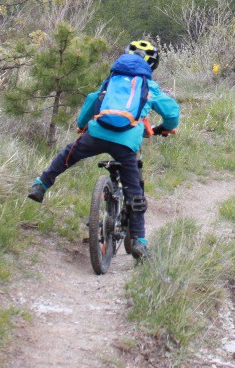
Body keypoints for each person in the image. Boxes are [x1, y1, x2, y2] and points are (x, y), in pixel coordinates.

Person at [26, 40, 179, 259]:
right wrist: (167, 128)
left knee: (67, 155)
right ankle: (139, 241)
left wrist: (81, 125)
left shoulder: (112, 79)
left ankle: (41, 185)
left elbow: (92, 100)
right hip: (126, 143)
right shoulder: (148, 85)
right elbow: (171, 111)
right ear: (152, 66)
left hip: (96, 133)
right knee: (133, 189)